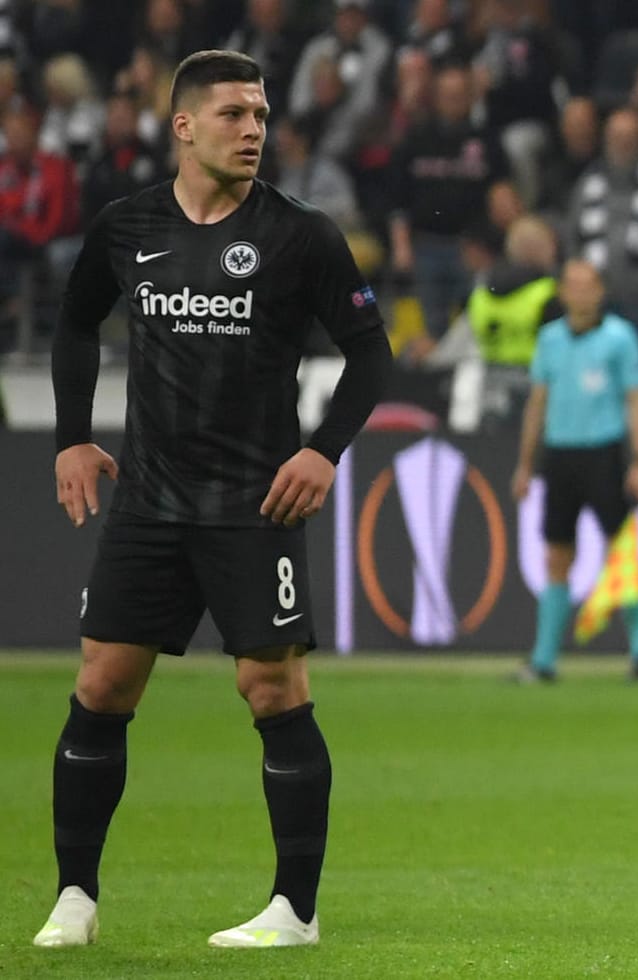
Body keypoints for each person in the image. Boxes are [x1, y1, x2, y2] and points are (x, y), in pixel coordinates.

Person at [36, 50, 391, 949]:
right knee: (102, 684)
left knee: (271, 687)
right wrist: (72, 435)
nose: (254, 130)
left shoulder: (301, 233)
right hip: (150, 499)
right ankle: (76, 898)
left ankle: (294, 911)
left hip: (254, 500)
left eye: (262, 115)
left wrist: (322, 453)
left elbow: (370, 353)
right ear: (184, 125)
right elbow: (76, 321)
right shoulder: (127, 227)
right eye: (234, 114)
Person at [511, 259, 638, 684]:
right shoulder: (550, 341)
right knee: (557, 555)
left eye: (587, 285)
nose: (580, 293)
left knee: (621, 554)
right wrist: (524, 464)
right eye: (572, 285)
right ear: (562, 292)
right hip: (560, 457)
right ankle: (544, 660)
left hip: (604, 454)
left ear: (600, 291)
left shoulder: (620, 339)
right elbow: (537, 404)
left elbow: (637, 401)